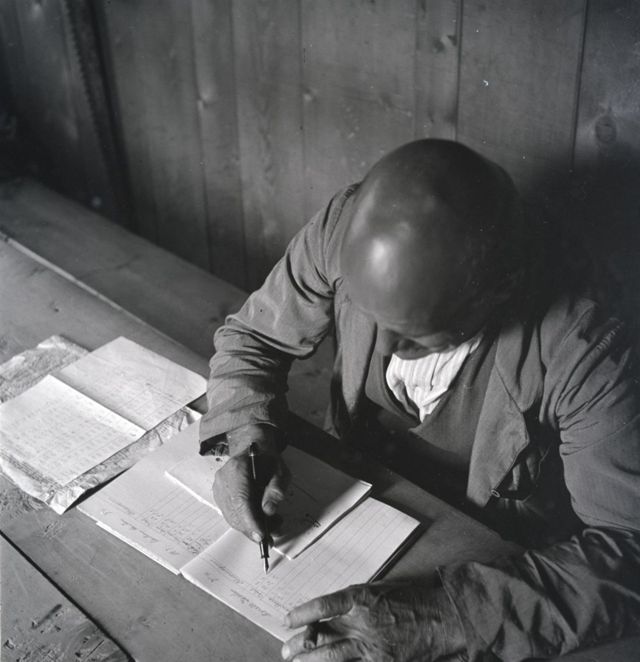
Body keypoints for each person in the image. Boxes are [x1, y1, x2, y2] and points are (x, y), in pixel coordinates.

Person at [200, 139, 640, 661]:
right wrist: (246, 440)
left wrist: (451, 617)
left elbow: (629, 549)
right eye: (367, 312)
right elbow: (255, 338)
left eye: (416, 335)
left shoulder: (585, 346)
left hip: (490, 563)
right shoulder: (345, 228)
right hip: (351, 505)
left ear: (498, 292)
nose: (384, 348)